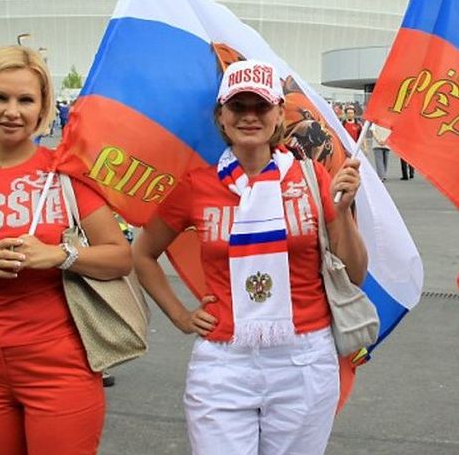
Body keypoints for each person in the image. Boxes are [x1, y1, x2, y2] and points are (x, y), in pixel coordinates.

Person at [134, 59, 367, 455]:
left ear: (278, 113)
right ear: (221, 115)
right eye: (238, 106)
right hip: (224, 361)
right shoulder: (197, 186)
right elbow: (142, 252)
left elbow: (356, 274)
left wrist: (342, 210)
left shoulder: (313, 178)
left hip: (304, 358)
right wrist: (180, 315)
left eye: (260, 106)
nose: (249, 116)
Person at [0, 45, 132, 455]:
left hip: (60, 366)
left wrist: (60, 256)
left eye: (25, 100)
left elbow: (119, 257)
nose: (12, 111)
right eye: (0, 97)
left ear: (42, 107)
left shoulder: (64, 171)